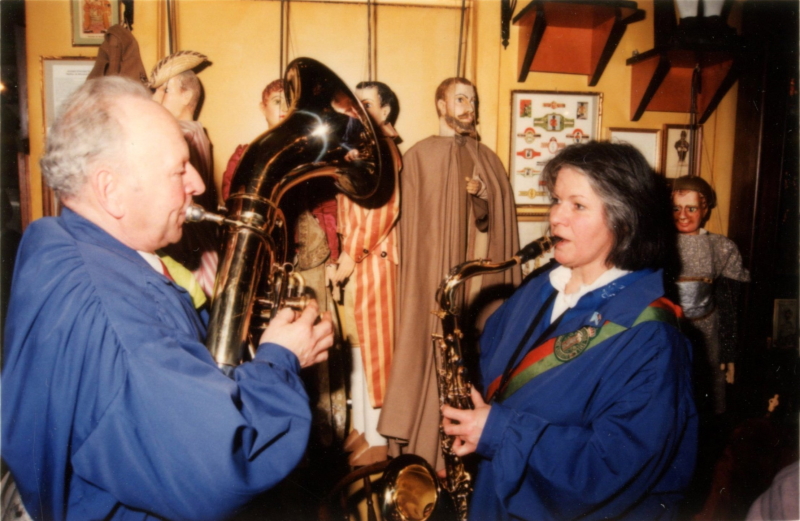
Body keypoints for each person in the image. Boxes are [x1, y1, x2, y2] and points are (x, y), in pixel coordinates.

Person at [1, 76, 333, 521]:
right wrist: (278, 359)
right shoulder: (119, 328)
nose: (197, 182)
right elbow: (224, 464)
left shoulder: (52, 237)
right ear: (110, 190)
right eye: (179, 169)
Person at [441, 142, 698, 520]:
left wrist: (498, 434)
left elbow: (611, 468)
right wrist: (472, 438)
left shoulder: (653, 338)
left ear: (623, 220)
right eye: (556, 200)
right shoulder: (541, 286)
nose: (556, 218)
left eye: (577, 206)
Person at [378, 77, 520, 469]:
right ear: (441, 105)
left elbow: (497, 223)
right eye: (459, 99)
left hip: (476, 287)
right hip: (433, 283)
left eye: (472, 100)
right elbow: (415, 230)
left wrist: (483, 195)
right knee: (428, 356)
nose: (467, 106)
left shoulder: (489, 159)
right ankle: (424, 451)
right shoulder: (420, 157)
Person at [330, 81, 401, 465]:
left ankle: (379, 438)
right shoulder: (358, 149)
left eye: (368, 104)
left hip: (375, 261)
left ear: (385, 112)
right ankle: (362, 427)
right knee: (356, 347)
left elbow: (383, 211)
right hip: (357, 259)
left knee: (377, 351)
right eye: (355, 104)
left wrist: (350, 255)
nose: (359, 110)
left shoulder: (385, 149)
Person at [671, 175, 749, 415]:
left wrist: (728, 350)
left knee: (705, 400)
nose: (682, 215)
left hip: (707, 333)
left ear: (704, 210)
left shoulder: (721, 247)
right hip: (667, 329)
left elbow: (728, 303)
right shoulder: (657, 244)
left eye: (691, 208)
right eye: (676, 208)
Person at [150, 51, 219, 298]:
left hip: (186, 248)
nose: (156, 97)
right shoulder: (194, 131)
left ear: (187, 95)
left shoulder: (181, 134)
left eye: (165, 90)